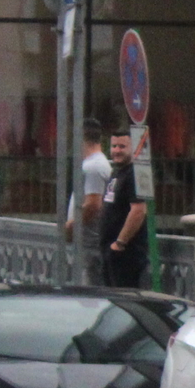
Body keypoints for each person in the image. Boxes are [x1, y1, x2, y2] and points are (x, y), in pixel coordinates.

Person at [100, 131, 150, 291]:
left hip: (126, 255)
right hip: (110, 252)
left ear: (133, 148)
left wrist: (120, 244)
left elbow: (139, 210)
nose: (116, 150)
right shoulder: (116, 172)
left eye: (122, 146)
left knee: (125, 300)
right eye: (114, 146)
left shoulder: (134, 174)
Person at [68, 122, 111, 285]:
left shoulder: (94, 166)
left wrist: (72, 226)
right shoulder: (92, 164)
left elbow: (93, 205)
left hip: (90, 243)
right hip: (86, 242)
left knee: (90, 289)